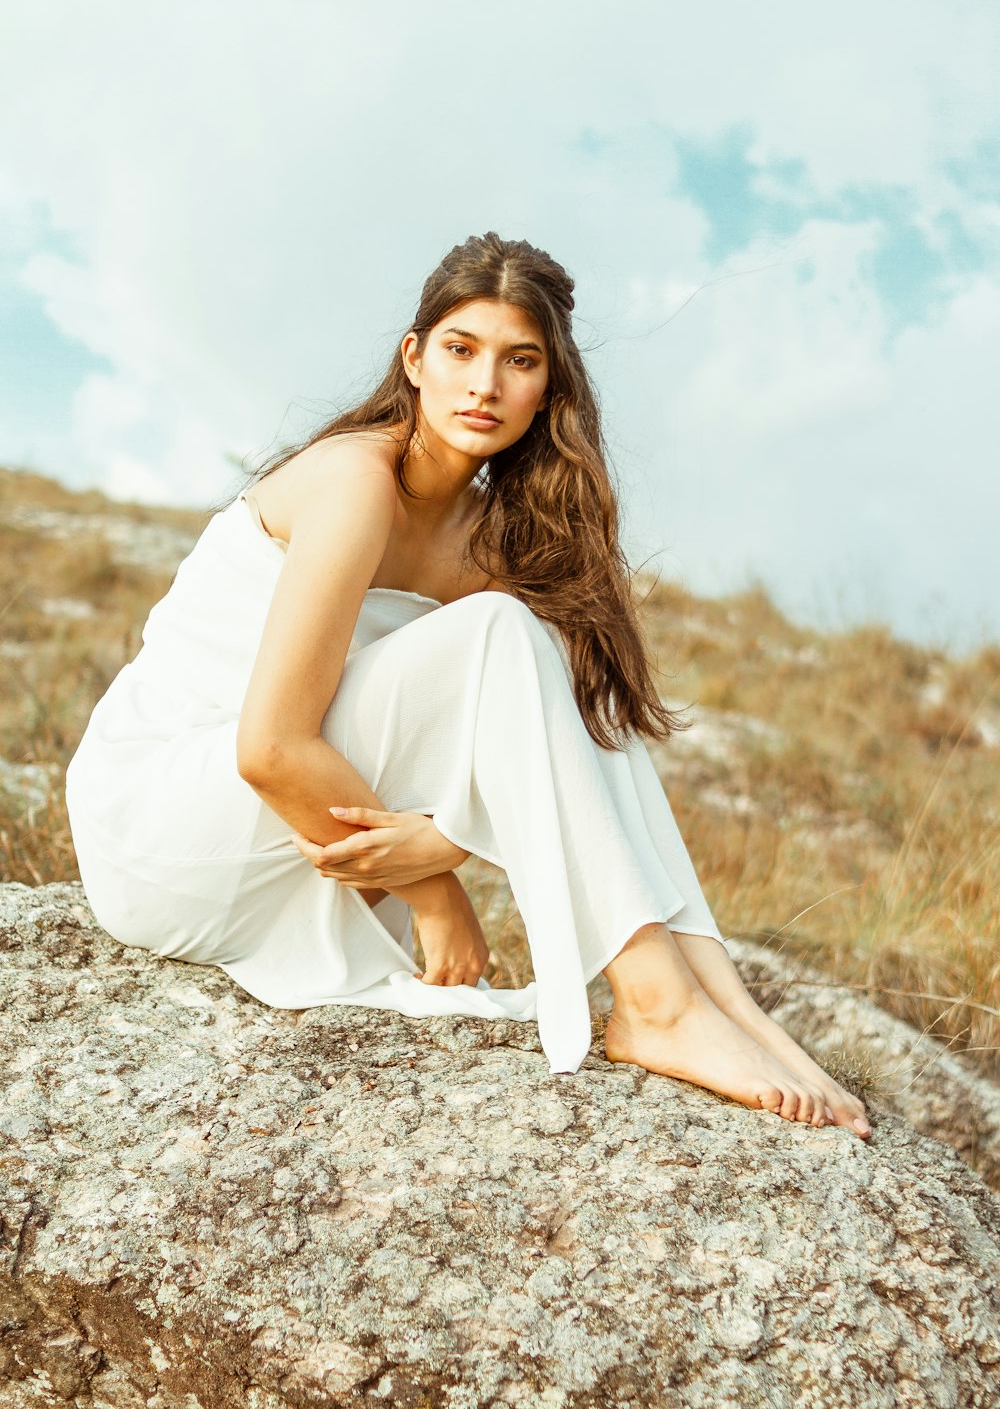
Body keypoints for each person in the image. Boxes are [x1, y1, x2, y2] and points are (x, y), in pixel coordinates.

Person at [65, 230, 871, 1139]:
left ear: (548, 388)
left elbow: (570, 746)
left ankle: (723, 1008)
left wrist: (445, 837)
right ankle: (656, 1007)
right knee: (502, 631)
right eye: (460, 350)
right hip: (166, 826)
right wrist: (436, 891)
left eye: (518, 361)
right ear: (414, 359)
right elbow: (271, 747)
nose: (484, 385)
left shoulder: (492, 540)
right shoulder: (354, 481)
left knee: (583, 693)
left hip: (290, 853)